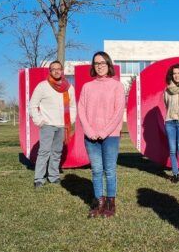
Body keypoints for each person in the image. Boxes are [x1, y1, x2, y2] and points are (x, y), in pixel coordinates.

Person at [78, 51, 125, 218]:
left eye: (103, 63)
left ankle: (111, 202)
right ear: (93, 66)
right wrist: (90, 131)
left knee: (110, 170)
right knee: (96, 170)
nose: (99, 66)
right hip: (90, 137)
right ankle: (98, 201)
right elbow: (81, 110)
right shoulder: (87, 87)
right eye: (96, 63)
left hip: (110, 136)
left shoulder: (117, 86)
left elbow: (118, 112)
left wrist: (104, 131)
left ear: (108, 65)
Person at [29, 60, 76, 189]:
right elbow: (32, 105)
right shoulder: (43, 86)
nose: (56, 71)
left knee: (56, 152)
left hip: (62, 125)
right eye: (53, 69)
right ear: (50, 71)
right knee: (44, 152)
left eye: (58, 69)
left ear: (62, 71)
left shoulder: (69, 87)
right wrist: (39, 121)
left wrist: (69, 121)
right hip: (48, 125)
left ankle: (53, 177)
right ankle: (39, 178)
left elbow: (72, 106)